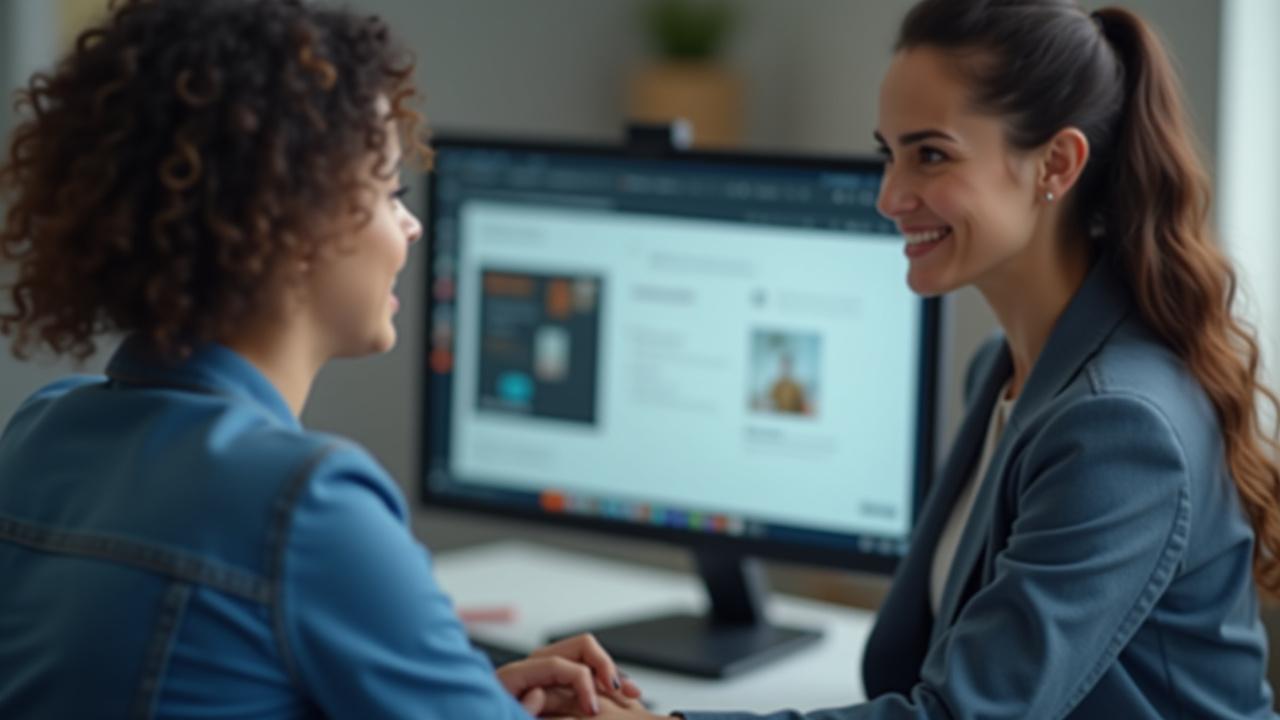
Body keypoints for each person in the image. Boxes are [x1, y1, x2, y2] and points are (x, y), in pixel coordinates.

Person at [556, 0, 1280, 718]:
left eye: (930, 155)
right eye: (888, 153)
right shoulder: (1004, 369)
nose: (888, 196)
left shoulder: (1120, 426)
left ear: (1055, 164)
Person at [0, 0, 642, 717]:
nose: (412, 225)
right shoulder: (306, 505)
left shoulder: (41, 431)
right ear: (295, 219)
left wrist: (454, 698)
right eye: (390, 191)